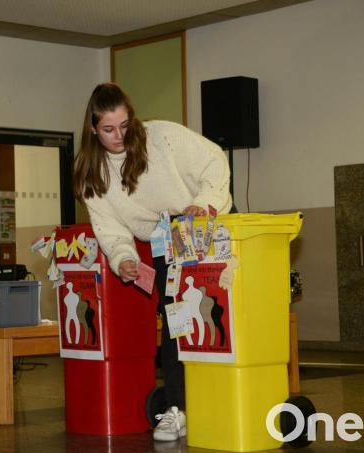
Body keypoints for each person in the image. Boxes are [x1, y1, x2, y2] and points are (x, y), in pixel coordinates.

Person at [72, 83, 232, 442]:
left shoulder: (163, 137)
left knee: (222, 320)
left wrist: (204, 202)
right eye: (108, 129)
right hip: (165, 239)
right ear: (93, 129)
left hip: (205, 224)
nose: (118, 136)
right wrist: (124, 258)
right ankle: (178, 409)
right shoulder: (92, 172)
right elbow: (110, 227)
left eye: (125, 126)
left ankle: (225, 397)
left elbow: (214, 160)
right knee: (177, 325)